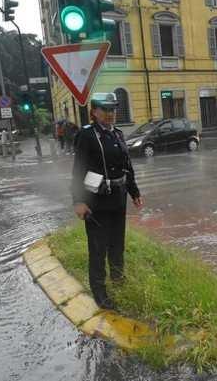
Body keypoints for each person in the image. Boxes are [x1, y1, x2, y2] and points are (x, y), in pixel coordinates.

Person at [71, 94, 143, 309]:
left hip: (118, 199)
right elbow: (78, 171)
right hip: (96, 202)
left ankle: (119, 281)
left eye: (113, 109)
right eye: (105, 109)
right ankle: (100, 293)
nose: (110, 113)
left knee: (117, 245)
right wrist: (78, 201)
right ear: (94, 112)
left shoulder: (119, 134)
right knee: (98, 248)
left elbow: (127, 166)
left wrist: (134, 191)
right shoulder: (87, 135)